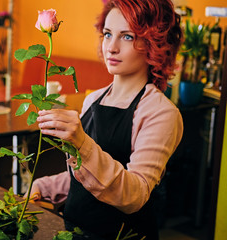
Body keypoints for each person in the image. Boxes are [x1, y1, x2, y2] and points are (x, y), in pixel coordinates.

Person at [29, 0, 184, 239]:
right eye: (108, 34)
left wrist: (81, 143)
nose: (111, 47)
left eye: (127, 37)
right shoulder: (94, 100)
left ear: (154, 42)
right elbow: (82, 177)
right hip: (74, 231)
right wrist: (44, 187)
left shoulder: (161, 113)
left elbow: (134, 195)